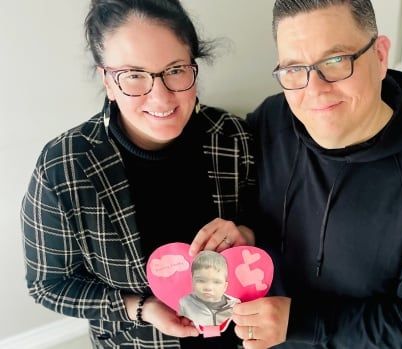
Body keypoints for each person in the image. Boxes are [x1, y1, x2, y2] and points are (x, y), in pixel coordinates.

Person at [195, 1, 402, 348]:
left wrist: (301, 323)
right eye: (294, 69)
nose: (314, 89)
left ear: (380, 55)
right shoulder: (273, 119)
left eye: (335, 61)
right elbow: (256, 209)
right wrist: (244, 234)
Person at [20, 0, 255, 348]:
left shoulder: (232, 137)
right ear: (108, 82)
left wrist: (244, 236)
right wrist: (140, 307)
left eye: (175, 70)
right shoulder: (64, 167)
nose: (160, 97)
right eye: (133, 75)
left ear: (194, 67)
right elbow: (49, 284)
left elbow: (270, 225)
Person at [179, 251, 240, 329]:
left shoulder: (235, 305)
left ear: (225, 286)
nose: (208, 287)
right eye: (201, 280)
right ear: (193, 282)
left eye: (216, 282)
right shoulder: (185, 303)